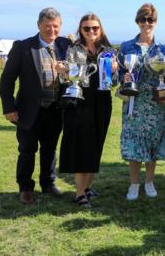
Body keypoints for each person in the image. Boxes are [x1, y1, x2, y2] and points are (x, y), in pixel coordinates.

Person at [0, 7, 72, 204]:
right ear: (39, 25)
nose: (52, 30)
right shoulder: (23, 47)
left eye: (55, 26)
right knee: (27, 149)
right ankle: (25, 188)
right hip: (28, 110)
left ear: (60, 27)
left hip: (55, 109)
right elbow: (7, 80)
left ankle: (48, 184)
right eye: (47, 26)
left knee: (50, 149)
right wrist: (9, 108)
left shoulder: (66, 45)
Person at [57, 13, 117, 207]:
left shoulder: (108, 50)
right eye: (87, 28)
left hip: (102, 101)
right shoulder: (73, 50)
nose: (91, 31)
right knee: (81, 145)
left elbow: (112, 83)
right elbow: (67, 80)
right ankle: (79, 193)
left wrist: (116, 72)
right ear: (80, 30)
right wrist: (63, 73)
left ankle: (88, 188)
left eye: (95, 28)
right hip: (79, 100)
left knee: (96, 144)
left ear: (100, 29)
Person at [118, 3, 165, 200]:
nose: (146, 23)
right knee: (133, 143)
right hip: (134, 102)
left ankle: (149, 182)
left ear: (156, 22)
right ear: (137, 22)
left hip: (157, 104)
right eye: (143, 19)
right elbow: (121, 73)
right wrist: (123, 78)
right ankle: (134, 184)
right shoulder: (126, 47)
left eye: (150, 20)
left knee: (153, 143)